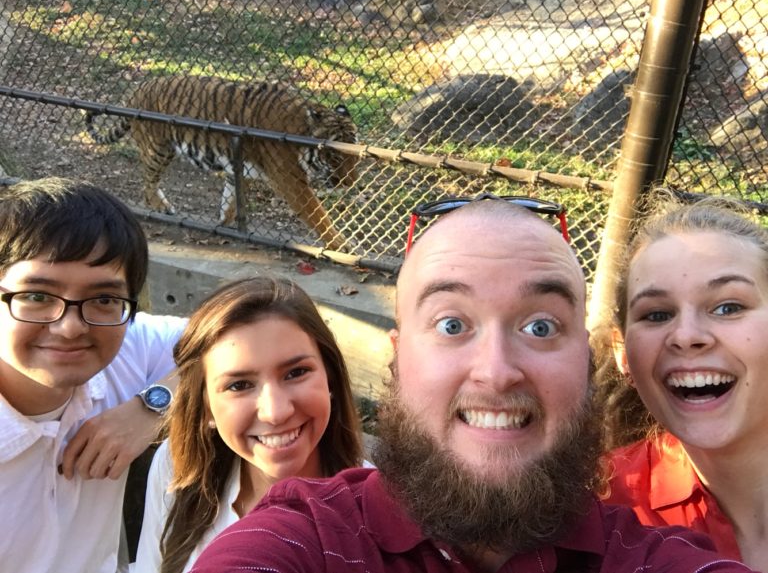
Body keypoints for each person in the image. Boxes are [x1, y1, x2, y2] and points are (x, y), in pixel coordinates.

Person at [188, 195, 753, 573]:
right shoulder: (305, 539)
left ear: (587, 359)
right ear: (397, 357)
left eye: (540, 326)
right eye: (452, 325)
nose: (497, 371)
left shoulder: (657, 557)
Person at [0, 177, 186, 573]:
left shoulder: (127, 350)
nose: (70, 327)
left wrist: (151, 407)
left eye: (103, 298)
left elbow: (257, 331)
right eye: (37, 296)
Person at [132, 276, 364, 573]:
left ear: (329, 377)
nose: (275, 412)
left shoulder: (379, 510)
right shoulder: (177, 469)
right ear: (206, 408)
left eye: (296, 373)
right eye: (239, 385)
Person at [598, 194, 768, 570]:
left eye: (728, 307)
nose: (687, 336)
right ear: (622, 352)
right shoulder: (599, 508)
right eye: (657, 314)